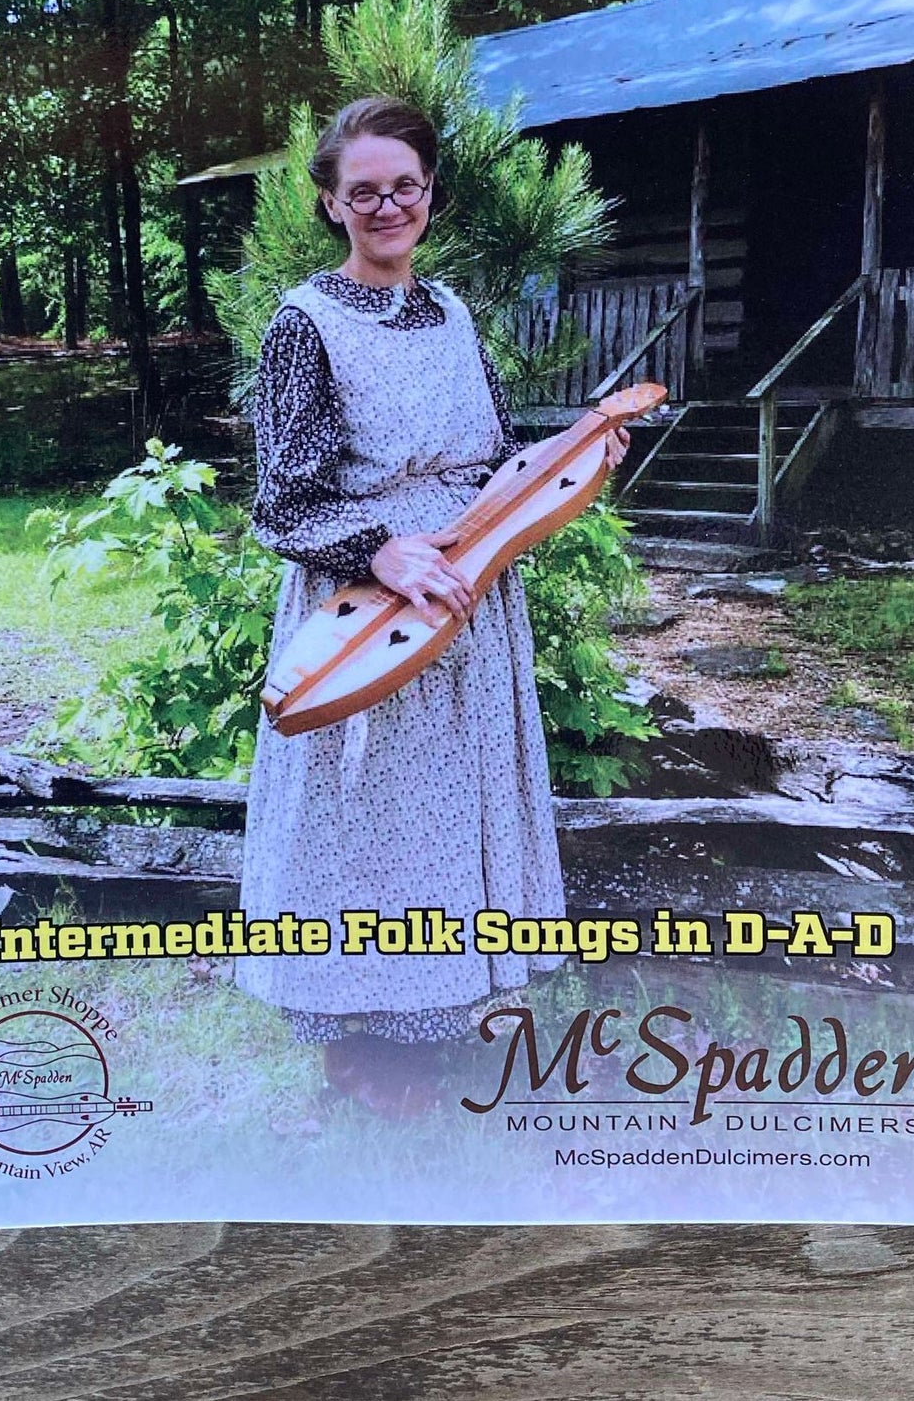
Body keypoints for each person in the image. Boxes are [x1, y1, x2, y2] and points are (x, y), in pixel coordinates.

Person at [232, 95, 625, 1115]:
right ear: (329, 204)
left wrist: (576, 458)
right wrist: (382, 547)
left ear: (429, 194)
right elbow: (282, 500)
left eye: (403, 185)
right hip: (365, 606)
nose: (385, 204)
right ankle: (357, 1037)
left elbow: (494, 459)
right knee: (365, 815)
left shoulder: (451, 312)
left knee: (452, 810)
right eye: (362, 190)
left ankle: (441, 1009)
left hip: (469, 590)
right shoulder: (301, 325)